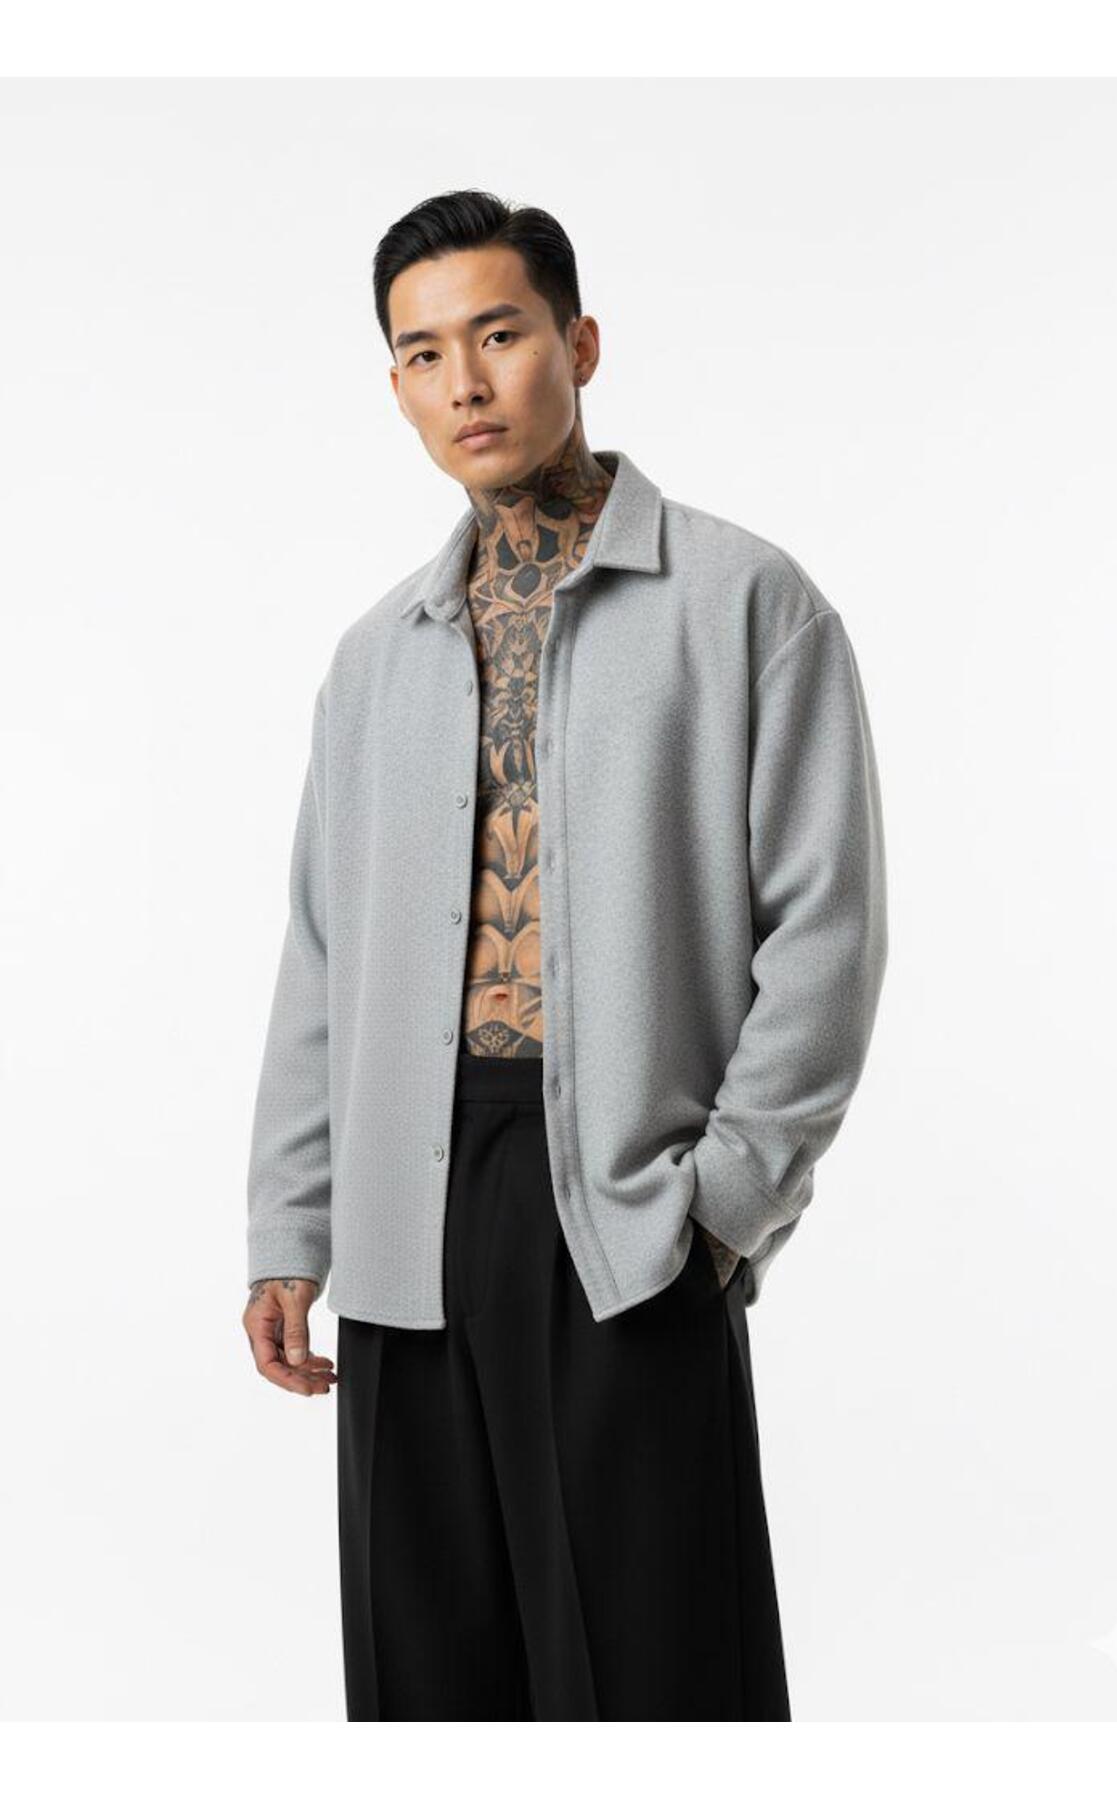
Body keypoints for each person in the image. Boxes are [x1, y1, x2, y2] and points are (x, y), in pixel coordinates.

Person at [242, 188, 889, 1721]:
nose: (465, 383)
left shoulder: (745, 603)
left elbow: (827, 932)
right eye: (423, 354)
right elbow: (320, 953)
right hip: (406, 1205)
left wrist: (723, 1205)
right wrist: (291, 1222)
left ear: (579, 344)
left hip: (625, 1201)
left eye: (500, 335)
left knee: (657, 1672)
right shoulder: (373, 659)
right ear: (396, 386)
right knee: (429, 1676)